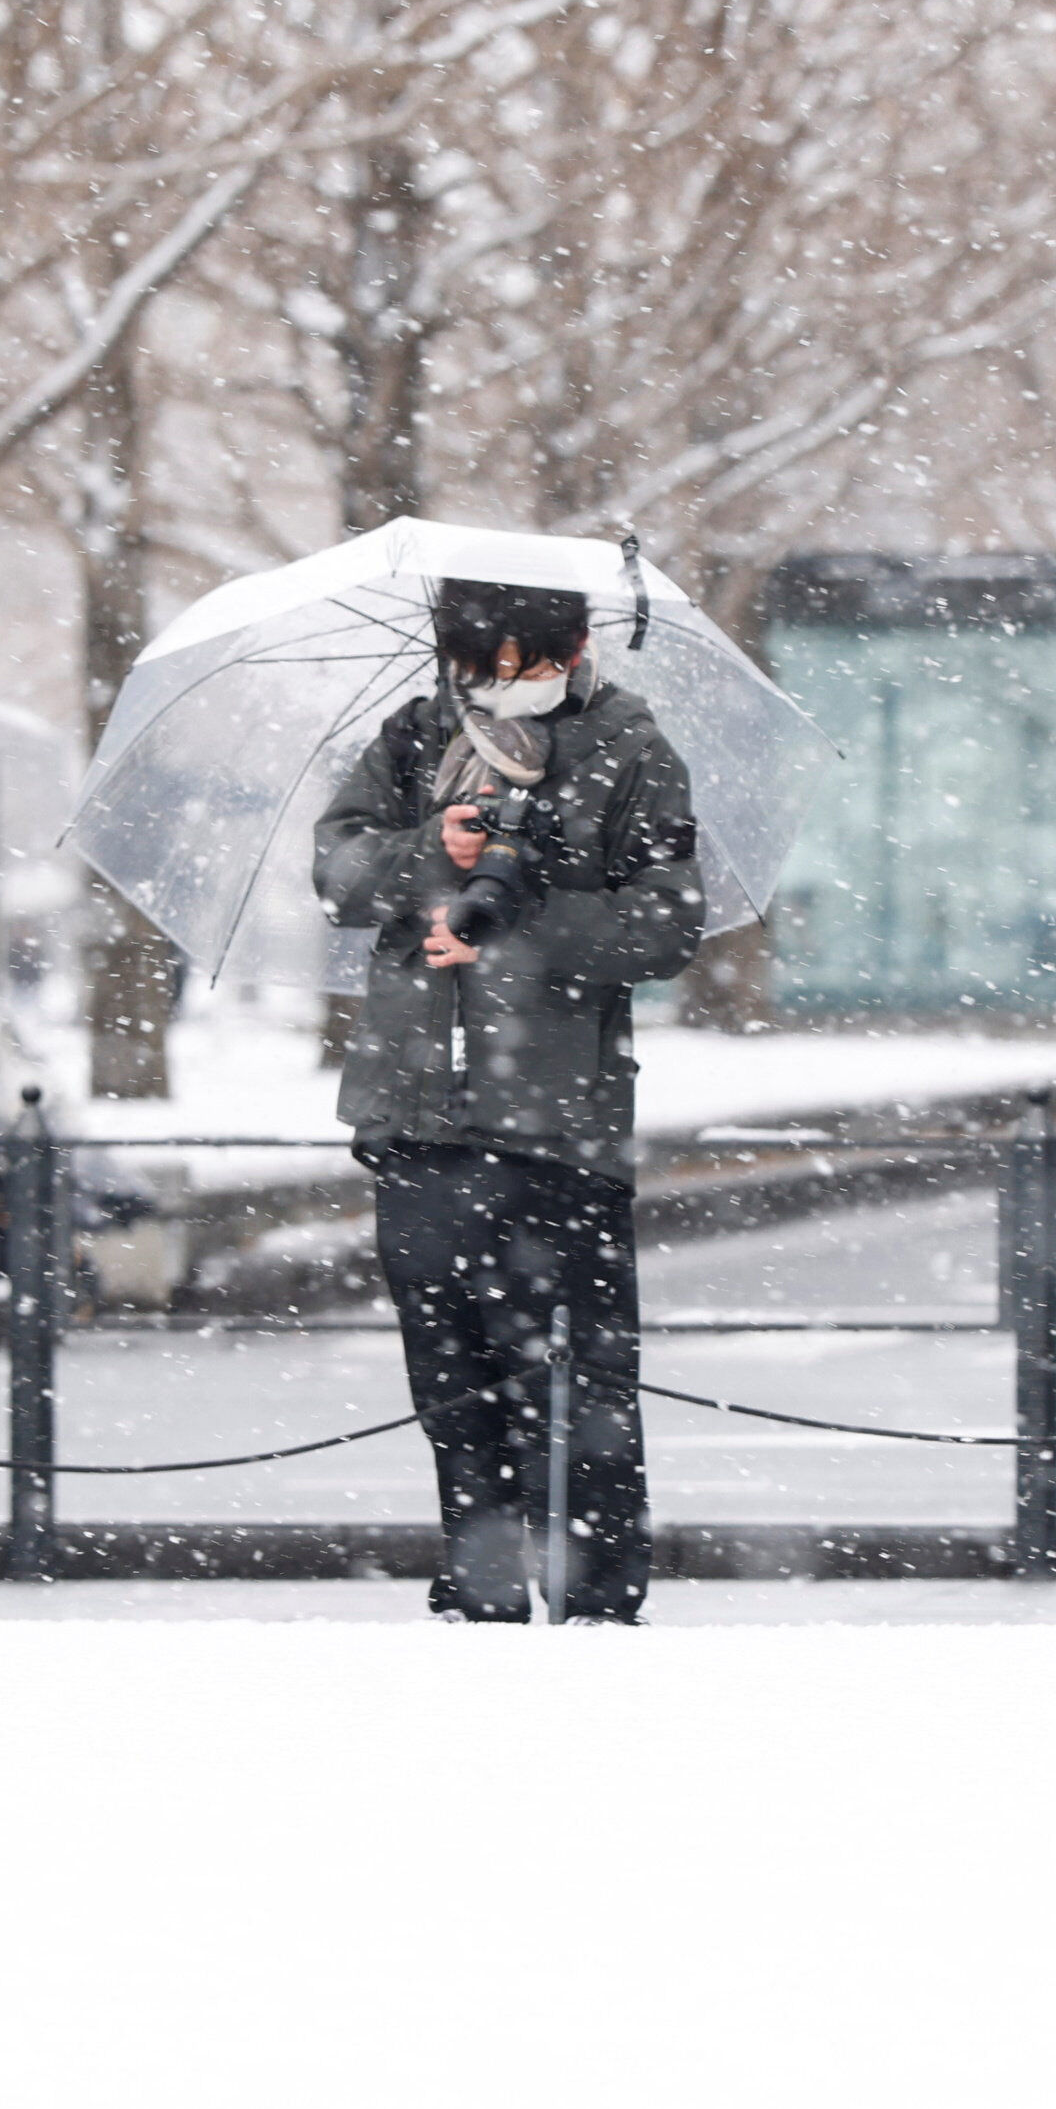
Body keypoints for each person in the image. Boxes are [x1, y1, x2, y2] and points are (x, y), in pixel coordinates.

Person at [310, 572, 707, 1622]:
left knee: (578, 1391)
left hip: (558, 1125)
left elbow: (666, 924)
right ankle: (479, 1589)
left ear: (573, 646)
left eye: (523, 663)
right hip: (417, 1114)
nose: (501, 682)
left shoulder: (628, 747)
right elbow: (338, 869)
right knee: (450, 1381)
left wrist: (526, 912)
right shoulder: (412, 735)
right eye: (480, 662)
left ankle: (595, 1602)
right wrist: (424, 855)